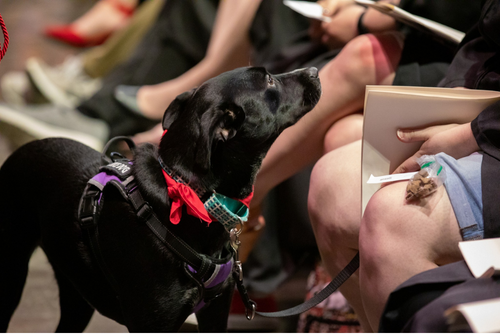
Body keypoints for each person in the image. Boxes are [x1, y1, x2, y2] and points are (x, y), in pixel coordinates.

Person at [307, 0, 500, 331]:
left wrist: (472, 132)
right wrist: (455, 100)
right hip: (484, 108)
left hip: (491, 133)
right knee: (332, 182)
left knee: (396, 218)